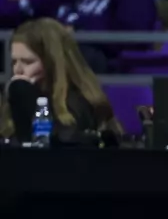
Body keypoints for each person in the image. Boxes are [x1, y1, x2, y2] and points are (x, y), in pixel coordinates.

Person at [2, 18, 123, 146]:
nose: (18, 70)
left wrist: (25, 94)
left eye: (28, 62)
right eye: (14, 62)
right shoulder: (14, 98)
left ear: (53, 64)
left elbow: (56, 145)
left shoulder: (81, 101)